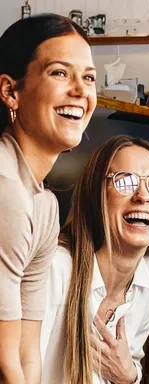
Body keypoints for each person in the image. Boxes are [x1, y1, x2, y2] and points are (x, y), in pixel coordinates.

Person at [0, 14, 96, 384]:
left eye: (88, 77)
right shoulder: (7, 191)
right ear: (11, 91)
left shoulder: (43, 204)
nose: (80, 91)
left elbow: (28, 354)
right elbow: (6, 363)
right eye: (59, 73)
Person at [39, 135, 149, 384]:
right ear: (94, 194)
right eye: (125, 181)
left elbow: (130, 362)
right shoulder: (56, 268)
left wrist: (130, 376)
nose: (143, 196)